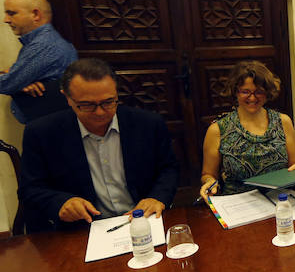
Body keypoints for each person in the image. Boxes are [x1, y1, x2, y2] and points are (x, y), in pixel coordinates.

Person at [19, 58, 178, 232]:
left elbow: (168, 169)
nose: (100, 112)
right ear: (67, 98)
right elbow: (30, 189)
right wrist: (61, 203)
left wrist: (157, 197)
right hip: (83, 230)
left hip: (142, 222)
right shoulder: (42, 133)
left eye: (108, 102)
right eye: (87, 105)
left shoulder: (148, 124)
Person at [200, 61, 295, 200]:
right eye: (245, 92)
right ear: (235, 91)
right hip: (237, 204)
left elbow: (294, 164)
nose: (252, 97)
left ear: (267, 93)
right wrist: (209, 182)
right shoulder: (217, 129)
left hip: (280, 199)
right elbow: (208, 174)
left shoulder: (283, 122)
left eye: (259, 92)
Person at [0, 0, 77, 123]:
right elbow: (12, 79)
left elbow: (5, 84)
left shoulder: (44, 45)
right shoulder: (41, 43)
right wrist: (20, 82)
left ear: (36, 15)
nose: (5, 20)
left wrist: (15, 81)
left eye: (11, 13)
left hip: (51, 126)